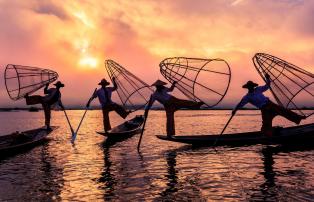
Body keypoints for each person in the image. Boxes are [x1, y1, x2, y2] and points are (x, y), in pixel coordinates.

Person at [232, 74, 306, 137]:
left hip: (270, 104)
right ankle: (267, 134)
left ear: (253, 86)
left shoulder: (258, 89)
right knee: (266, 122)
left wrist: (267, 78)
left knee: (283, 111)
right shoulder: (247, 97)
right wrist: (234, 110)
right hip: (264, 109)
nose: (251, 87)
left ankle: (298, 117)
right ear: (248, 87)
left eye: (251, 86)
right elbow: (240, 104)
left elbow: (267, 86)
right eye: (249, 86)